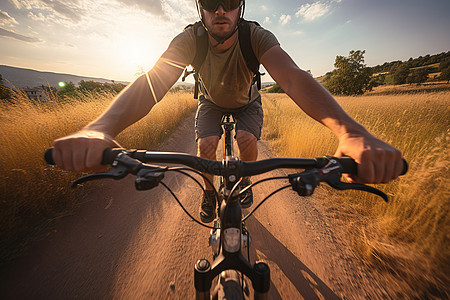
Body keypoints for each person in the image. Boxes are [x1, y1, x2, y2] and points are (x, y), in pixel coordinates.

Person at [51, 0, 404, 223]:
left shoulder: (257, 36)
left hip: (248, 102)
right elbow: (154, 82)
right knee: (206, 148)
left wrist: (350, 132)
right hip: (210, 102)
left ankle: (247, 183)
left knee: (248, 138)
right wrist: (100, 128)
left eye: (230, 2)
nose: (221, 10)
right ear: (200, 8)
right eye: (211, 2)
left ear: (241, 7)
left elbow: (294, 79)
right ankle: (208, 192)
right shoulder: (191, 39)